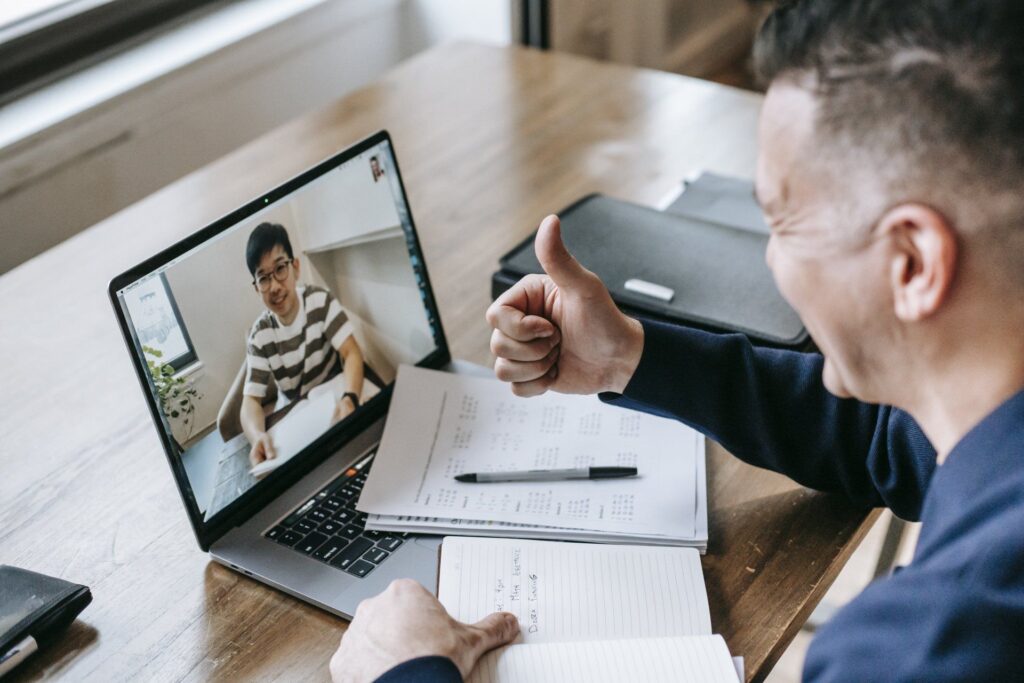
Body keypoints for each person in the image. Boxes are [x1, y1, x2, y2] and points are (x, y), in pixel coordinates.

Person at [331, 0, 1024, 680]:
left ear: (912, 263)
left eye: (782, 224)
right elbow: (889, 436)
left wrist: (406, 674)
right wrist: (628, 356)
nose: (772, 263)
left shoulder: (924, 647)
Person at [241, 222, 365, 467]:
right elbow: (250, 402)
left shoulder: (320, 300)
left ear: (295, 267)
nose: (275, 286)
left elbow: (351, 352)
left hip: (334, 397)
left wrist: (350, 397)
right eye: (264, 278)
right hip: (293, 416)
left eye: (280, 269)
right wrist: (257, 436)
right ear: (257, 289)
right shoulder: (259, 335)